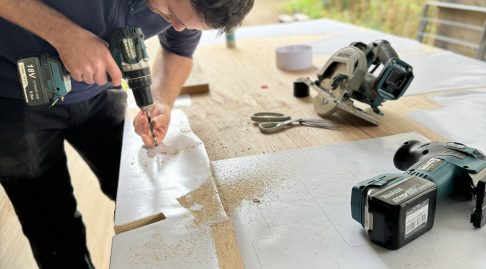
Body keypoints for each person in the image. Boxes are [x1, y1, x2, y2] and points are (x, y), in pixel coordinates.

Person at [0, 0, 254, 267]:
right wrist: (65, 34)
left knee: (141, 192)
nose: (176, 27)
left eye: (186, 24)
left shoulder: (191, 8)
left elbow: (178, 52)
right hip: (12, 96)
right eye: (173, 15)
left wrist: (161, 100)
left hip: (99, 92)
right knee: (52, 229)